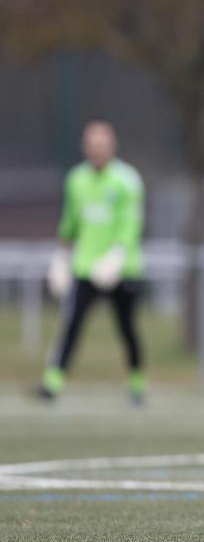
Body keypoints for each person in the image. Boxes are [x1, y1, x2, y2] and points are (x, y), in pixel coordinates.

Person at [39, 119, 147, 405]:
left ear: (112, 146)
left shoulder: (127, 180)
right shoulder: (76, 180)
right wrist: (60, 258)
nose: (97, 150)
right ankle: (52, 382)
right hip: (86, 267)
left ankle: (137, 383)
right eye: (92, 145)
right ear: (85, 147)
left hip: (121, 268)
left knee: (126, 328)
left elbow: (131, 223)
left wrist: (117, 256)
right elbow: (70, 222)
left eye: (102, 144)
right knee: (71, 324)